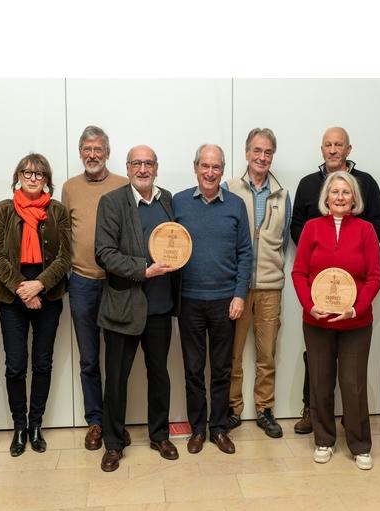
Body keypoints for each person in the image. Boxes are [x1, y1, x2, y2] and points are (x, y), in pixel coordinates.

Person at [289, 126, 380, 435]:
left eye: (346, 191)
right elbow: (299, 270)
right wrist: (312, 301)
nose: (340, 195)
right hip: (317, 315)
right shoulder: (311, 225)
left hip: (355, 318)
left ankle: (359, 442)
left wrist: (355, 305)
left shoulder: (366, 228)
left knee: (353, 382)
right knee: (319, 381)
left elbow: (375, 275)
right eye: (335, 192)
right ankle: (323, 439)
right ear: (325, 196)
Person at [94, 145, 181, 472]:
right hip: (123, 306)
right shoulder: (112, 201)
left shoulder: (167, 200)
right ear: (128, 168)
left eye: (148, 163)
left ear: (156, 168)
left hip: (160, 306)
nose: (143, 169)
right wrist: (142, 268)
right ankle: (113, 444)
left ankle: (160, 435)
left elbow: (178, 243)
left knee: (160, 375)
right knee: (116, 379)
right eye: (136, 164)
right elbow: (103, 252)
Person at [0, 153, 73, 456]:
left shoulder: (58, 210)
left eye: (40, 174)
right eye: (28, 172)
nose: (33, 178)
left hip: (48, 295)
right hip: (12, 297)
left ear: (47, 179)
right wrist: (23, 289)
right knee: (15, 366)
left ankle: (36, 425)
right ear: (18, 175)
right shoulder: (4, 209)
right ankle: (19, 427)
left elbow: (65, 256)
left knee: (42, 363)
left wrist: (40, 284)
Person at [173, 144, 252, 455]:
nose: (210, 172)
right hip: (189, 301)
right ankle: (198, 429)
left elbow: (245, 252)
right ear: (195, 168)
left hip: (225, 302)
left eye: (216, 167)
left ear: (222, 170)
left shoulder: (235, 205)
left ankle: (219, 428)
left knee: (221, 369)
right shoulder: (178, 202)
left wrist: (239, 295)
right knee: (193, 370)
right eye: (204, 166)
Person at [60, 126, 129, 451]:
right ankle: (96, 422)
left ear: (107, 152)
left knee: (117, 359)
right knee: (89, 359)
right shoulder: (70, 188)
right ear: (80, 153)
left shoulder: (124, 185)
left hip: (117, 284)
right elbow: (64, 236)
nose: (92, 154)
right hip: (83, 282)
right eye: (87, 149)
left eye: (98, 149)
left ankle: (117, 422)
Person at [226, 128, 292, 438]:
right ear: (247, 152)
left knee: (267, 354)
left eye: (267, 152)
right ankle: (232, 408)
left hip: (270, 288)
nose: (261, 157)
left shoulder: (282, 194)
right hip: (236, 288)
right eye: (256, 151)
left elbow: (282, 241)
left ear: (272, 155)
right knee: (233, 353)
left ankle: (265, 409)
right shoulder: (230, 189)